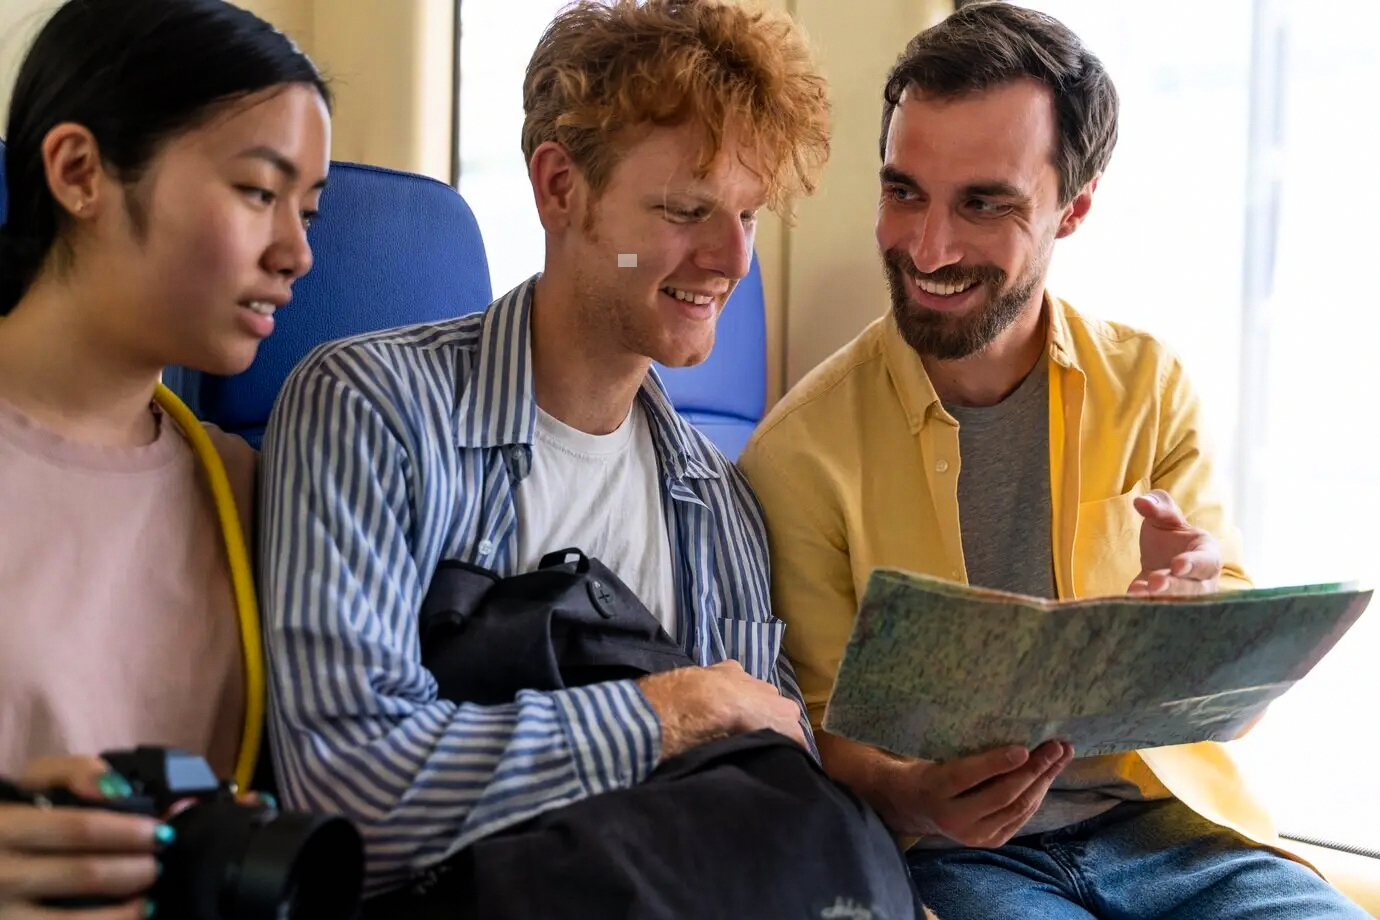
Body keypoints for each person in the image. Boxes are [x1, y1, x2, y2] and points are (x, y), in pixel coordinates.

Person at [737, 2, 1369, 918]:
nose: (928, 247)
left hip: (1181, 837)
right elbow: (820, 732)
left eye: (983, 203)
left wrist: (1199, 614)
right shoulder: (796, 456)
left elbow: (1241, 692)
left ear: (1074, 208)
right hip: (963, 860)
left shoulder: (1150, 386)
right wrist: (912, 794)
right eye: (904, 191)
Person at [256, 0, 831, 897]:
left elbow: (768, 783)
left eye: (749, 216)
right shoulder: (374, 413)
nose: (730, 259)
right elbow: (349, 791)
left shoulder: (718, 503)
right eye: (688, 209)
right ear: (560, 187)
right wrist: (677, 706)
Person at [0, 0, 330, 915]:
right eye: (260, 193)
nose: (298, 253)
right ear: (79, 173)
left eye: (309, 209)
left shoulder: (250, 489)